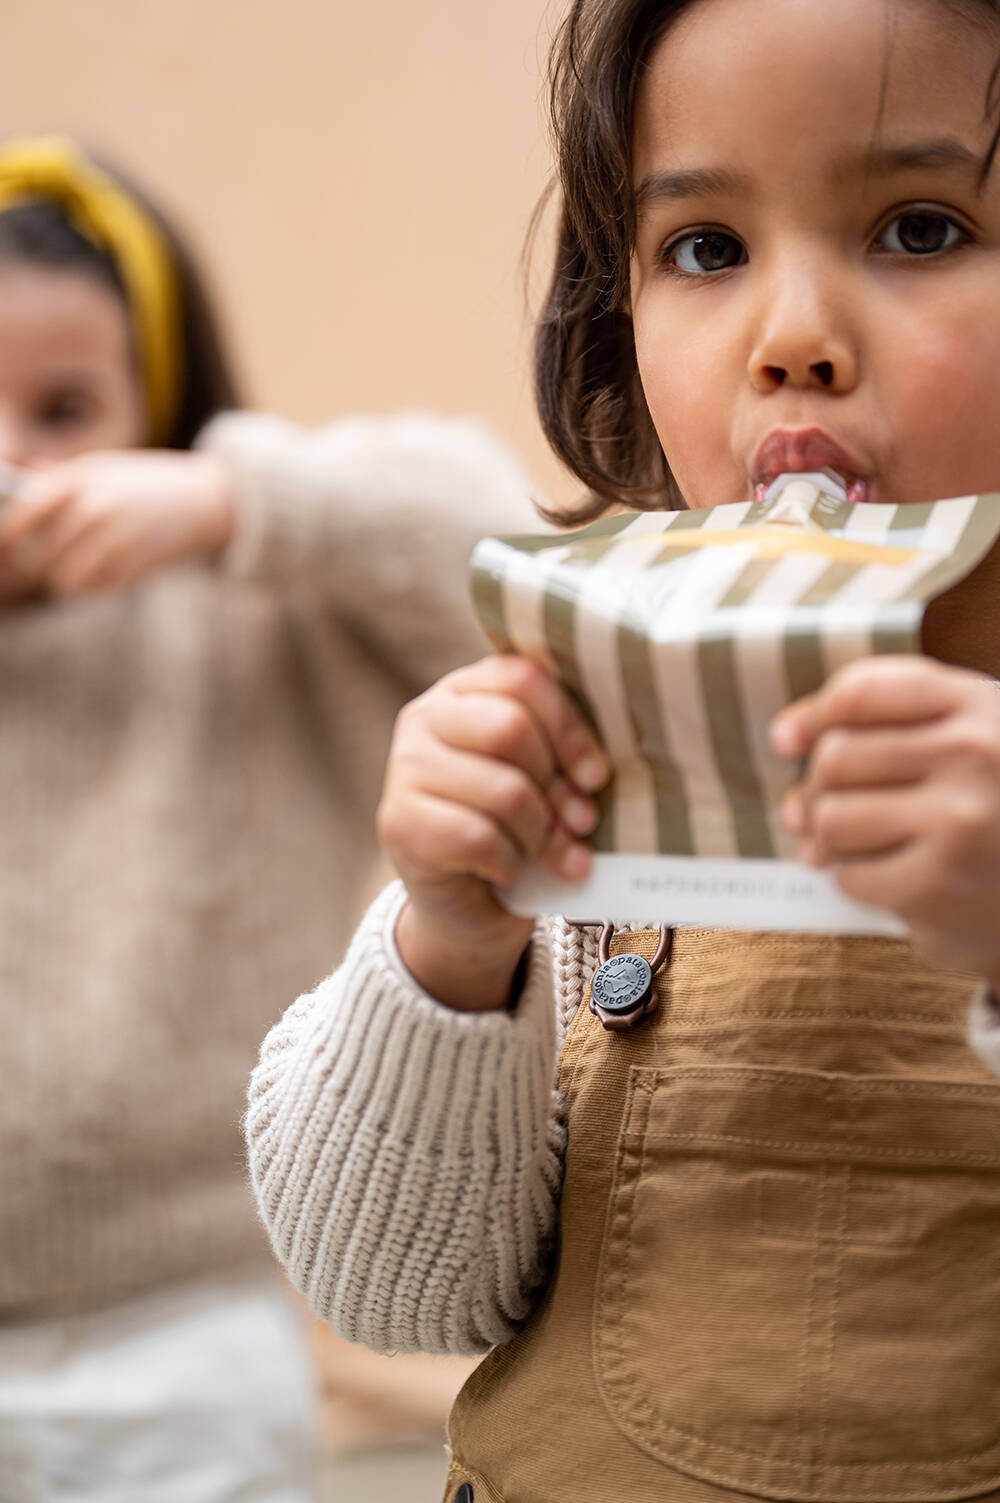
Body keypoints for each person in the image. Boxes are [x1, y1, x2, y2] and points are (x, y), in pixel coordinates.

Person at [247, 2, 1000, 1500]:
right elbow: (398, 1292)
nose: (791, 340)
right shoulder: (596, 691)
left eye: (918, 227)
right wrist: (449, 945)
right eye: (706, 250)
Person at [0, 137, 537, 1501]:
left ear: (151, 409)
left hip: (187, 1331)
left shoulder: (256, 611)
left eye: (64, 409)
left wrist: (242, 495)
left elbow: (496, 544)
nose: (13, 456)